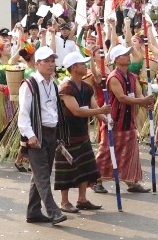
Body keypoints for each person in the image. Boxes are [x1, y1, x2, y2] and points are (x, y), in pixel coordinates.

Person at [92, 44, 155, 194]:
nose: (128, 57)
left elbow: (138, 94)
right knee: (106, 152)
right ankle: (96, 180)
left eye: (128, 54)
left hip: (129, 121)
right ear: (116, 59)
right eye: (124, 55)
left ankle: (131, 181)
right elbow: (122, 98)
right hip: (114, 121)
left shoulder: (132, 77)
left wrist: (147, 103)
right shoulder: (114, 77)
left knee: (130, 153)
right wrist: (142, 101)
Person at [17, 46, 67, 225]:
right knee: (43, 175)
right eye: (47, 61)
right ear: (37, 64)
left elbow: (53, 110)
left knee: (40, 174)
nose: (51, 64)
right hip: (36, 134)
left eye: (53, 61)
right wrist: (30, 135)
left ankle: (33, 211)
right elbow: (23, 114)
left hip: (51, 133)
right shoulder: (29, 84)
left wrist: (58, 135)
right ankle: (53, 211)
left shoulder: (53, 83)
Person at [55, 51, 110, 213]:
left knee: (86, 167)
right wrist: (100, 111)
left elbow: (94, 106)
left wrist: (105, 119)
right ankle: (64, 202)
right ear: (73, 67)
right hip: (66, 135)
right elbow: (76, 111)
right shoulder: (66, 88)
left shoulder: (86, 87)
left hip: (82, 133)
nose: (86, 66)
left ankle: (82, 199)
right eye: (82, 64)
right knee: (67, 169)